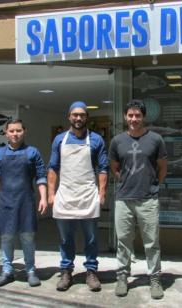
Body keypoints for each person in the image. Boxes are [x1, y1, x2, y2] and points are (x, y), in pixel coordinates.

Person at [109, 100, 167, 299]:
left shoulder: (156, 139)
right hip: (124, 198)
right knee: (123, 241)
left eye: (138, 115)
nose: (134, 119)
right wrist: (125, 182)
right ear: (125, 117)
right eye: (130, 115)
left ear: (143, 117)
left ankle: (155, 278)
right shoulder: (117, 141)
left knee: (152, 242)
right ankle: (122, 277)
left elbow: (162, 167)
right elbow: (115, 168)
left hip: (148, 199)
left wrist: (152, 185)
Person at [47, 101, 108, 292]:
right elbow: (53, 168)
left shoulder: (97, 140)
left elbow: (103, 168)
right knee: (66, 238)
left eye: (82, 115)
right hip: (65, 194)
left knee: (91, 238)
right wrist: (51, 193)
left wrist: (102, 192)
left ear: (86, 118)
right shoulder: (59, 140)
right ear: (69, 117)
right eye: (75, 115)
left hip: (88, 194)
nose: (78, 118)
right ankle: (66, 271)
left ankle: (91, 271)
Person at [0, 119, 47, 287]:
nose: (15, 134)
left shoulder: (33, 152)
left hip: (26, 201)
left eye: (18, 130)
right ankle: (7, 271)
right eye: (11, 131)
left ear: (24, 131)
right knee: (7, 237)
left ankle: (30, 270)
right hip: (5, 202)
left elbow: (41, 176)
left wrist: (44, 197)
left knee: (27, 237)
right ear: (6, 133)